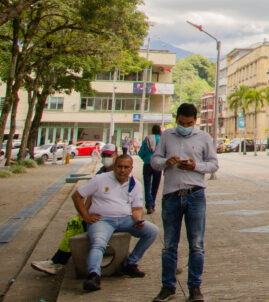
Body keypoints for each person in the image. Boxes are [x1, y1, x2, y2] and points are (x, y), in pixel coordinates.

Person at [150, 102, 219, 302]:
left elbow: (214, 164)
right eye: (181, 123)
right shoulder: (167, 136)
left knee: (196, 244)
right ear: (176, 119)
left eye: (189, 123)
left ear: (195, 121)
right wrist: (167, 162)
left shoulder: (204, 137)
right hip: (172, 195)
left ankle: (195, 287)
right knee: (169, 244)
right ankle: (168, 286)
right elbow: (154, 161)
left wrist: (195, 166)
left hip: (195, 195)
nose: (185, 127)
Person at [73, 153, 160, 292]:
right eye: (119, 167)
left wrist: (138, 220)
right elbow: (77, 196)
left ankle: (129, 263)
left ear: (131, 168)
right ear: (114, 167)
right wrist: (86, 217)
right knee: (98, 243)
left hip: (125, 219)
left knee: (152, 231)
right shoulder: (101, 179)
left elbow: (137, 208)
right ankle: (93, 275)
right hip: (102, 220)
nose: (122, 170)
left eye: (126, 167)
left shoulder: (135, 184)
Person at [31, 144, 118, 277]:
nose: (106, 158)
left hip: (110, 216)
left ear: (116, 155)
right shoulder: (101, 173)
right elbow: (90, 195)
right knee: (75, 223)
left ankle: (57, 262)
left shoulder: (120, 173)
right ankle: (57, 261)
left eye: (109, 155)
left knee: (76, 225)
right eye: (104, 155)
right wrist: (84, 213)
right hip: (97, 213)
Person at [139, 125, 162, 214]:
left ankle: (149, 204)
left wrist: (146, 158)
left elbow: (140, 152)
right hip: (157, 165)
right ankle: (152, 204)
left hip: (147, 165)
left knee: (147, 185)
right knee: (155, 186)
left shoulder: (147, 139)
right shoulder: (162, 139)